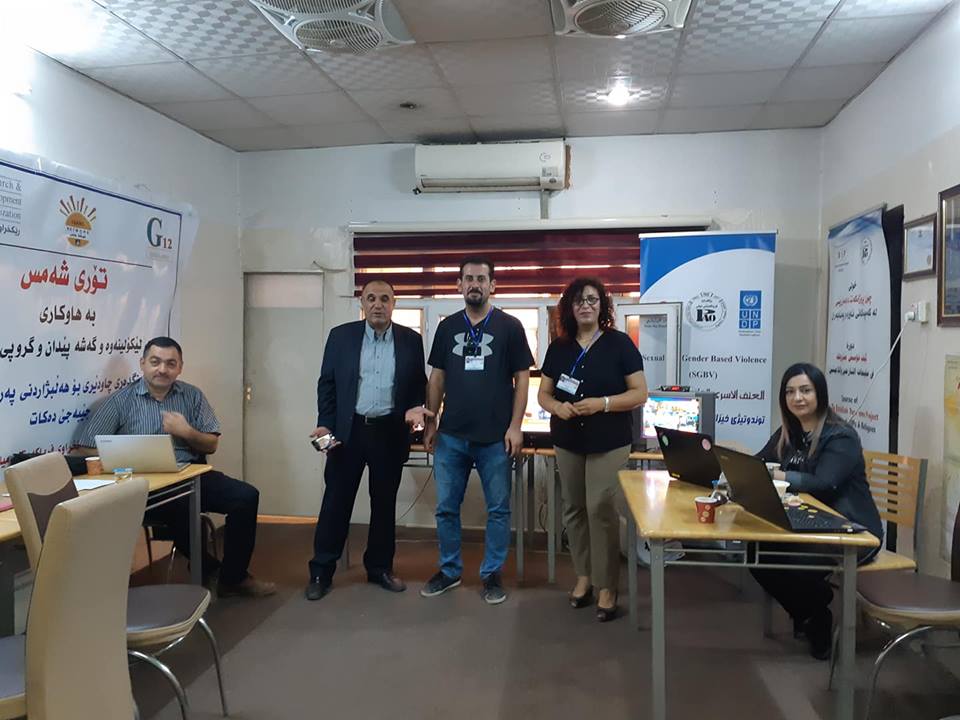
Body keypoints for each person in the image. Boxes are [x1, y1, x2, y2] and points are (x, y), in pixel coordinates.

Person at [74, 336, 276, 598]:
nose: (162, 369)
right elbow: (85, 446)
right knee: (180, 506)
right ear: (142, 363)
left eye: (171, 363)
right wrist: (126, 454)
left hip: (189, 474)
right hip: (143, 485)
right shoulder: (120, 401)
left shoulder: (192, 396)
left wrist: (186, 432)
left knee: (246, 497)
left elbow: (211, 444)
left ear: (180, 367)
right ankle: (208, 568)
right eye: (155, 362)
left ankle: (234, 577)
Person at [306, 279, 432, 601]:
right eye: (371, 298)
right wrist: (325, 424)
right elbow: (327, 384)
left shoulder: (411, 340)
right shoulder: (341, 337)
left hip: (389, 432)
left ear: (394, 304)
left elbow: (417, 383)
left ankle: (379, 568)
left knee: (384, 504)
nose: (378, 304)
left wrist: (415, 407)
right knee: (336, 503)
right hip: (348, 433)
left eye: (385, 299)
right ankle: (321, 571)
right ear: (362, 304)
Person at [420, 257, 533, 605]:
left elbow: (522, 379)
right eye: (468, 278)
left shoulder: (510, 326)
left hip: (495, 438)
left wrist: (515, 426)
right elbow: (437, 377)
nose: (475, 284)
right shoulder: (447, 327)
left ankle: (492, 574)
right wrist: (431, 422)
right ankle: (449, 571)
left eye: (482, 279)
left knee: (498, 510)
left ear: (492, 286)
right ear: (459, 285)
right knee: (446, 509)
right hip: (451, 436)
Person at [752, 362, 882, 659]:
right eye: (790, 392)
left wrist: (777, 474)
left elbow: (824, 483)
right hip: (809, 522)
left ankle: (815, 617)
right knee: (756, 551)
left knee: (795, 563)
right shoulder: (789, 432)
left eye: (805, 390)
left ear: (820, 393)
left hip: (852, 530)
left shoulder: (841, 436)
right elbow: (760, 462)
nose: (797, 398)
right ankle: (813, 610)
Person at [538, 277, 647, 622]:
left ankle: (607, 585)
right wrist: (557, 407)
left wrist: (603, 403)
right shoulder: (559, 348)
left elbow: (640, 393)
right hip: (568, 439)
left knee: (600, 508)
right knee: (573, 508)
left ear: (602, 306)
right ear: (569, 308)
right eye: (578, 300)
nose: (585, 305)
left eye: (592, 299)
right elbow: (544, 394)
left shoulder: (620, 344)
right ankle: (584, 576)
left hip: (609, 440)